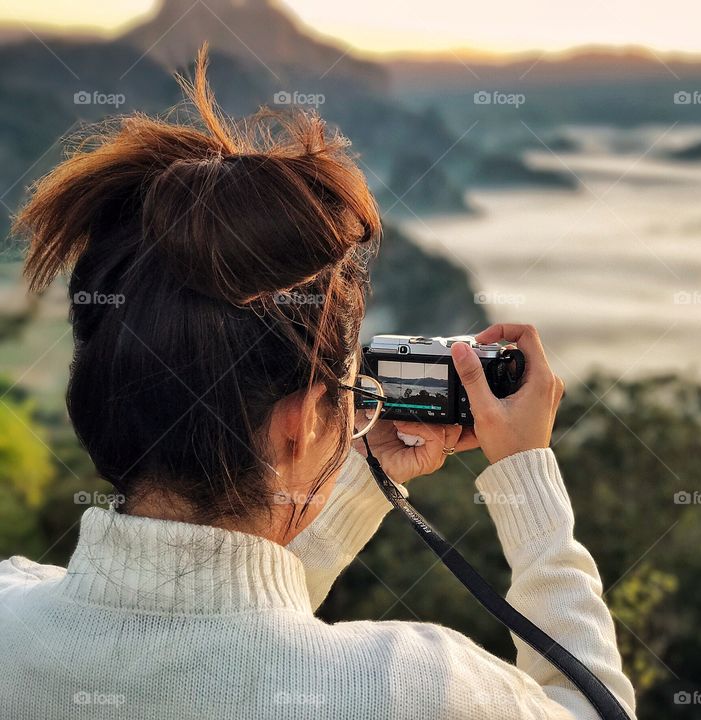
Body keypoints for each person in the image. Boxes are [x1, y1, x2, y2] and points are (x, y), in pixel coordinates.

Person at [0, 49, 637, 719]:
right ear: (300, 420)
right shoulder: (418, 690)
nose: (356, 411)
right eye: (348, 394)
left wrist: (349, 478)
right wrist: (527, 479)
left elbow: (210, 636)